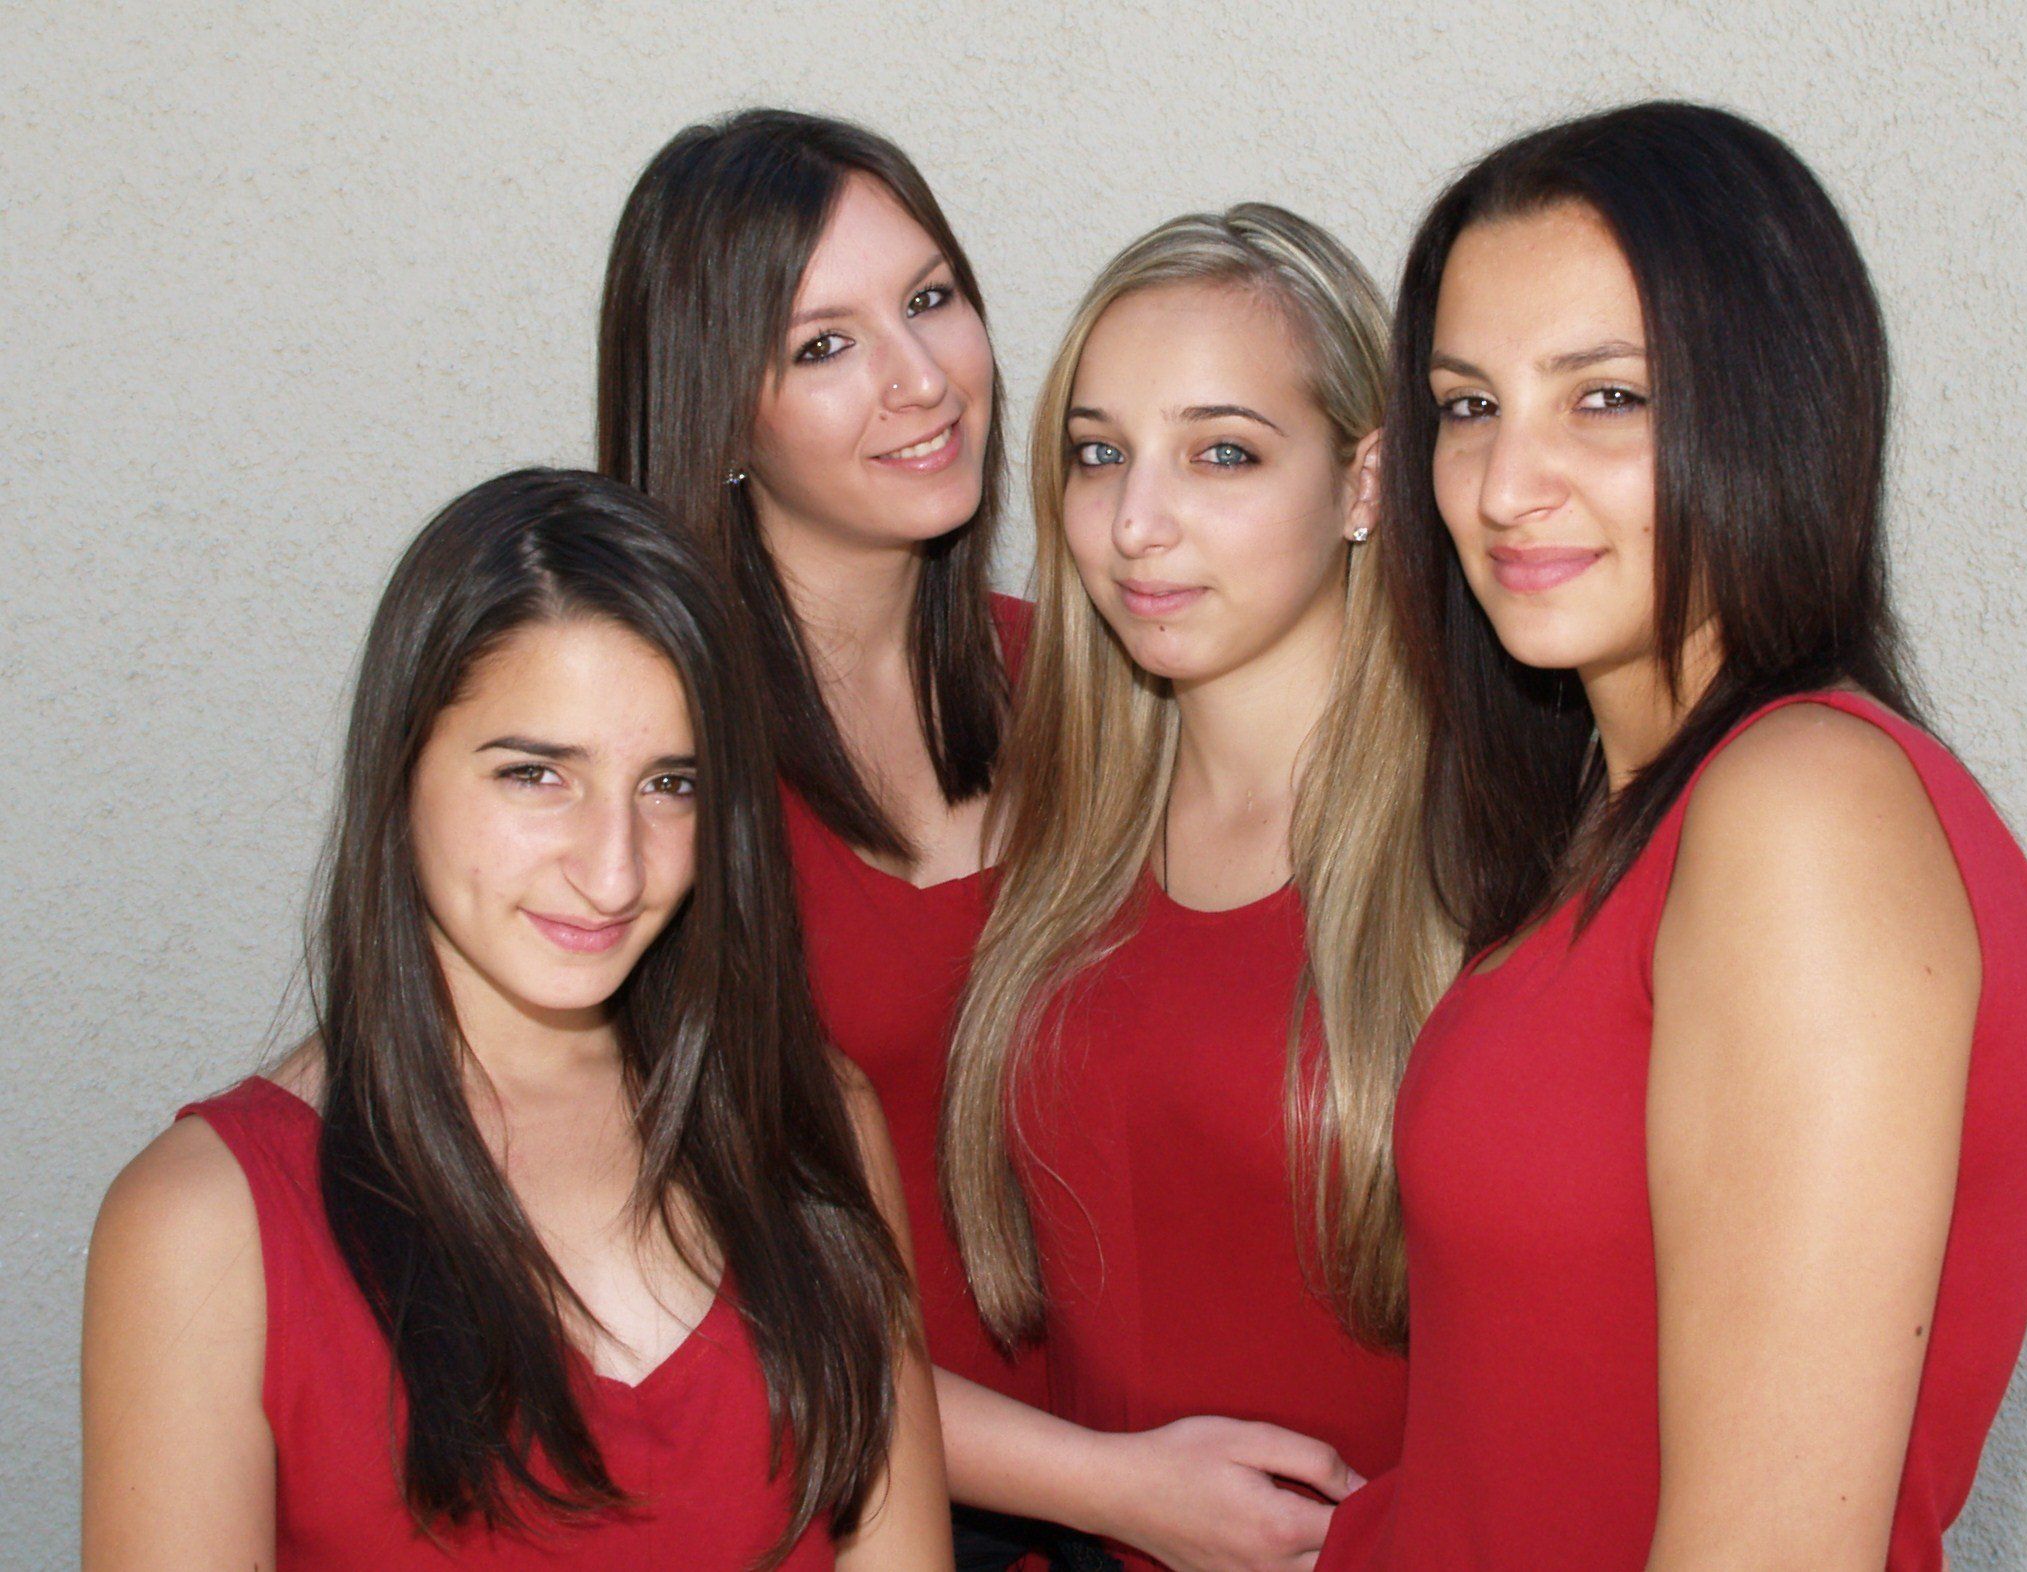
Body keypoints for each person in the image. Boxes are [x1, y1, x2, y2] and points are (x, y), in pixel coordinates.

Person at [1319, 102, 2027, 1571]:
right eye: (1467, 406)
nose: (1504, 485)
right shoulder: (1623, 815)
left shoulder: (1803, 809)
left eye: (1605, 397)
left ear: (1775, 408)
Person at [81, 469, 950, 1570]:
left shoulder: (810, 1123)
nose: (614, 869)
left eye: (671, 784)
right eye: (538, 775)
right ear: (400, 767)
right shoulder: (204, 1225)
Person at [943, 205, 1457, 1571]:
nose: (1135, 523)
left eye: (1221, 452)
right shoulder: (1059, 820)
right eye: (1098, 453)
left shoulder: (1491, 847)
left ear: (1365, 482)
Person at [596, 109, 1046, 1570]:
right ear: (720, 413)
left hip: (1187, 1475)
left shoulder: (1093, 682)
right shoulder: (656, 776)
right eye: (823, 345)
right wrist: (1118, 1487)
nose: (921, 378)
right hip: (865, 1515)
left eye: (930, 298)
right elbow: (714, 1294)